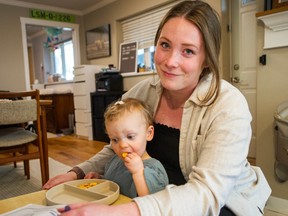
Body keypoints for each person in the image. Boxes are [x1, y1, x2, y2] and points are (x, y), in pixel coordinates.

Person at [44, 1, 271, 215]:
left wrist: (121, 212)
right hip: (158, 195)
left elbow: (207, 193)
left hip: (225, 200)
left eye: (188, 51)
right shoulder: (140, 94)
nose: (170, 61)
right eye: (165, 45)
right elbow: (115, 147)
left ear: (207, 60)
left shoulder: (228, 105)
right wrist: (77, 173)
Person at [85, 97, 168, 198]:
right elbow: (114, 183)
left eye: (130, 137)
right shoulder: (115, 161)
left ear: (149, 133)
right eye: (115, 140)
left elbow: (151, 202)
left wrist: (138, 172)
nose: (122, 145)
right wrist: (100, 179)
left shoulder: (154, 168)